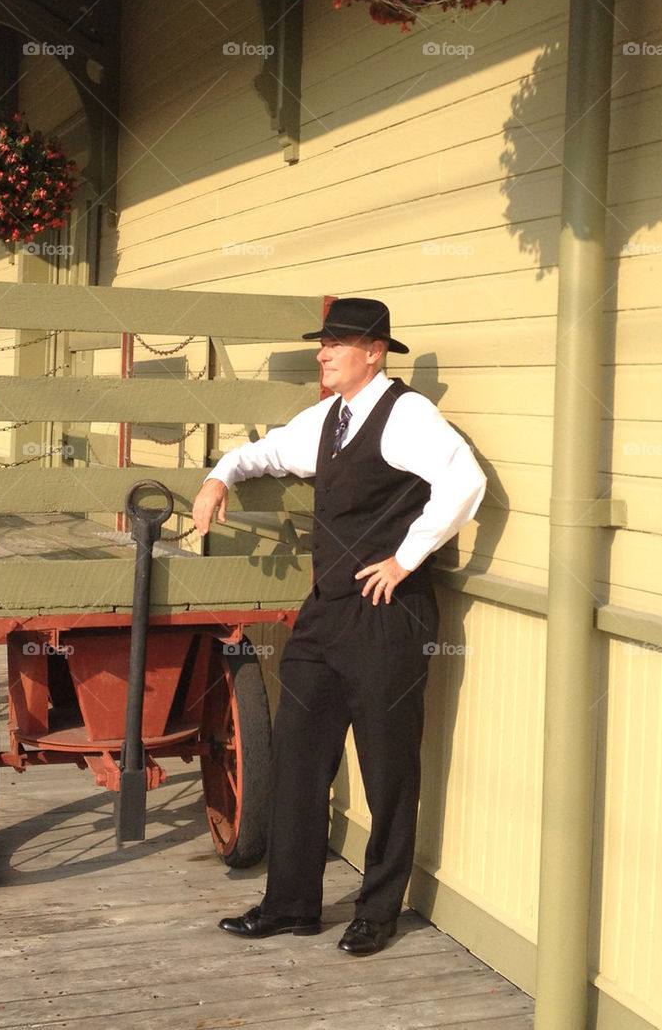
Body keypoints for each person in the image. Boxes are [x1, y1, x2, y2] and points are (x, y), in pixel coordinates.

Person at [192, 297, 486, 957]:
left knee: (388, 770)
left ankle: (377, 911)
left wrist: (408, 555)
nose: (323, 353)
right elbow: (268, 452)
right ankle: (290, 904)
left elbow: (464, 481)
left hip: (388, 617)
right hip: (325, 613)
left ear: (374, 351)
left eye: (337, 343)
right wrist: (219, 477)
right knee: (298, 754)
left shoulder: (406, 414)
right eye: (322, 344)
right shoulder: (328, 417)